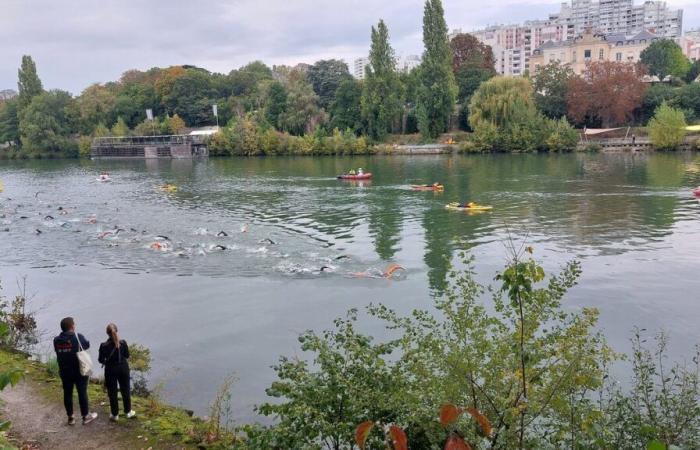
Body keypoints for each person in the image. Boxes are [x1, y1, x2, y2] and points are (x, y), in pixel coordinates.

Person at [53, 317, 98, 425]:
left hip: (64, 371)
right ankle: (85, 416)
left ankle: (71, 417)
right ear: (72, 326)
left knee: (67, 393)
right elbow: (86, 345)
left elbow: (57, 351)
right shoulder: (77, 337)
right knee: (82, 392)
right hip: (79, 371)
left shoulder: (56, 340)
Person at [98, 323, 136, 422]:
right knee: (125, 390)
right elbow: (127, 355)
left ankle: (115, 415)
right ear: (117, 331)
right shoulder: (123, 343)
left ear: (107, 333)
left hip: (110, 370)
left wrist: (107, 361)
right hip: (123, 368)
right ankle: (128, 412)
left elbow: (100, 360)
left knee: (112, 392)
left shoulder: (103, 345)